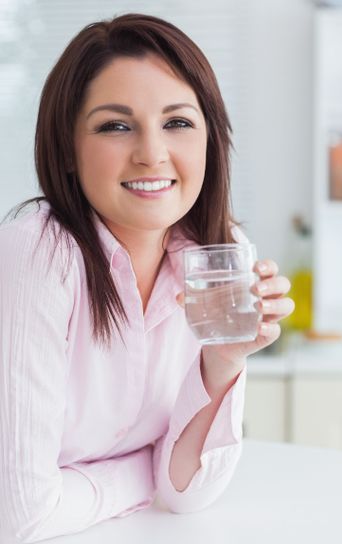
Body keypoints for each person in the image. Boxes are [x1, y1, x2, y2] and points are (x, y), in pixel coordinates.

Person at [0, 13, 294, 543]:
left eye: (177, 122)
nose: (152, 153)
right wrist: (143, 473)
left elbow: (187, 494)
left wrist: (222, 360)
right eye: (116, 125)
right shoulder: (37, 253)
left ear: (209, 138)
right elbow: (20, 513)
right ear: (67, 148)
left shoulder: (219, 256)